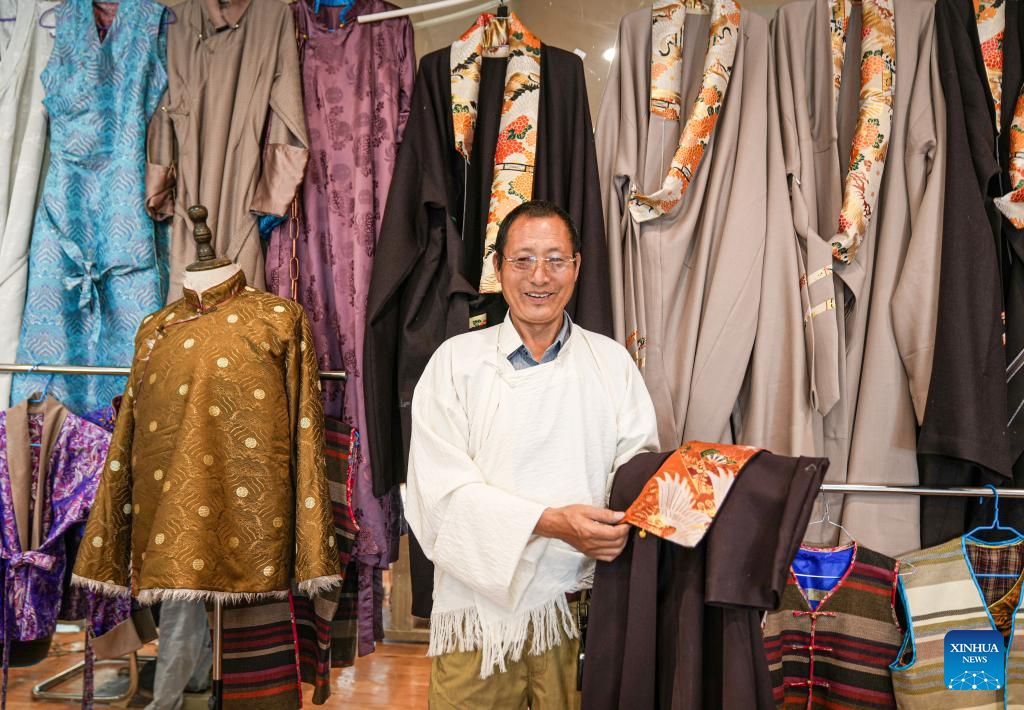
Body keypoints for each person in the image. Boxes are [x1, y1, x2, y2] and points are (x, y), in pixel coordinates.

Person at [405, 200, 659, 709]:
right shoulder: (455, 363)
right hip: (478, 622)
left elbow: (636, 473)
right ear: (497, 268)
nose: (539, 276)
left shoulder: (612, 364)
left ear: (577, 267)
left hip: (578, 615)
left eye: (555, 259)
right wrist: (552, 523)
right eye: (522, 260)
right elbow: (437, 496)